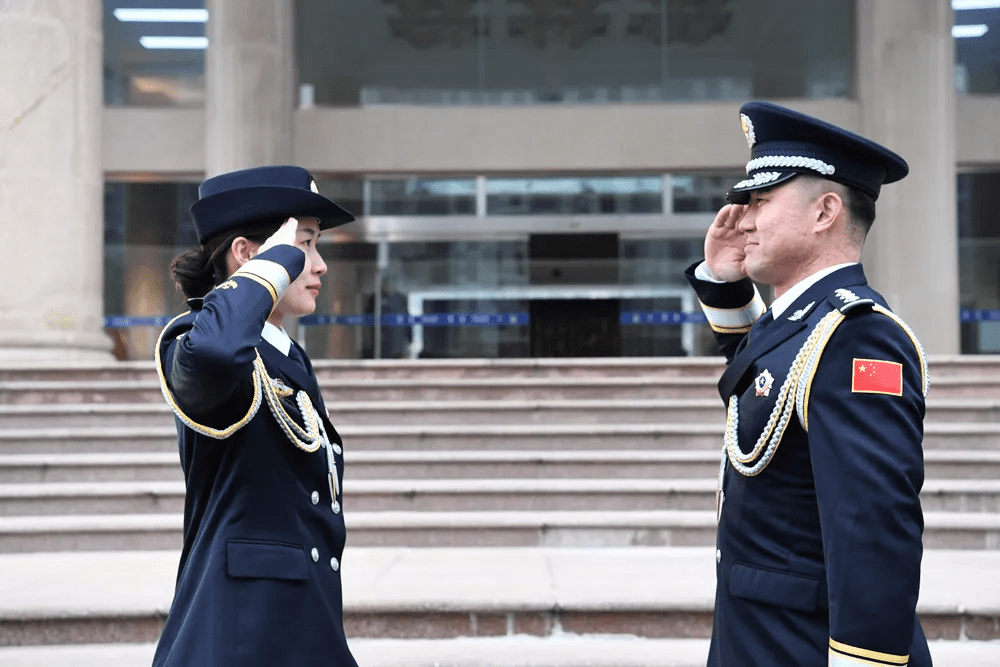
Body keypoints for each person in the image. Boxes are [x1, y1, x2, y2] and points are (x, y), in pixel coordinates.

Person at [684, 102, 931, 667]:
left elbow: (871, 527)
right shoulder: (805, 323)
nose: (741, 219)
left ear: (825, 213)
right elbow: (766, 378)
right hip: (761, 637)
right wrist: (724, 285)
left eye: (760, 201)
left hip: (803, 648)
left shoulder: (857, 338)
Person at [151, 166, 359, 667]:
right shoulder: (200, 341)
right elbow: (219, 353)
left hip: (296, 626)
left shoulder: (283, 354)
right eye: (305, 245)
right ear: (248, 254)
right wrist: (276, 262)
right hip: (238, 635)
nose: (319, 264)